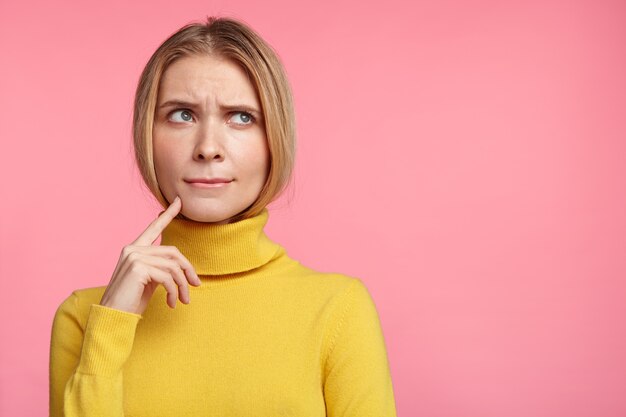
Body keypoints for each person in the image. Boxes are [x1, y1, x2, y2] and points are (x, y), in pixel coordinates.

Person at [49, 16, 397, 417]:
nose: (208, 148)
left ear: (274, 139)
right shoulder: (84, 318)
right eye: (182, 114)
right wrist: (108, 332)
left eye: (241, 117)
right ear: (147, 134)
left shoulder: (338, 309)